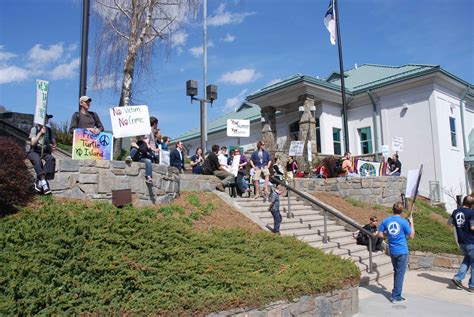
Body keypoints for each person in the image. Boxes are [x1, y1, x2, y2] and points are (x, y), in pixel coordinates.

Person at [377, 202, 415, 303]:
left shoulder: (386, 220)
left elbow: (380, 234)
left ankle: (395, 292)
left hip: (393, 251)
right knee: (400, 274)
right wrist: (411, 223)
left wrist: (388, 235)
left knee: (397, 272)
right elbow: (411, 236)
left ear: (392, 209)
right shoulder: (403, 222)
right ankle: (396, 296)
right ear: (401, 211)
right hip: (402, 251)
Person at [449, 196, 474, 292]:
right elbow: (472, 227)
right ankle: (472, 286)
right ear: (471, 204)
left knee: (467, 259)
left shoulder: (455, 211)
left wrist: (461, 226)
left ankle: (458, 278)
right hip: (471, 241)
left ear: (463, 201)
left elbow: (450, 223)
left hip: (461, 241)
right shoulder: (472, 213)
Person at [27, 114, 56, 194]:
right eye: (45, 118)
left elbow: (53, 142)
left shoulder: (50, 130)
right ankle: (43, 182)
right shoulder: (34, 129)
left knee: (51, 159)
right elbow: (33, 143)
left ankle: (39, 181)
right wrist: (40, 133)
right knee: (37, 160)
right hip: (34, 150)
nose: (47, 120)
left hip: (45, 151)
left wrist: (53, 146)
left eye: (47, 118)